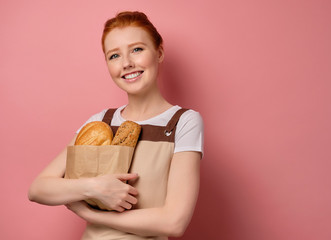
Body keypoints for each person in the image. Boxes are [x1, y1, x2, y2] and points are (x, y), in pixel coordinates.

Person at [28, 11, 204, 240]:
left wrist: (93, 215)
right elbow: (38, 189)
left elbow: (174, 222)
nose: (127, 63)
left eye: (137, 49)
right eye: (114, 56)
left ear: (159, 52)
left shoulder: (183, 122)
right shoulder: (100, 122)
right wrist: (94, 188)